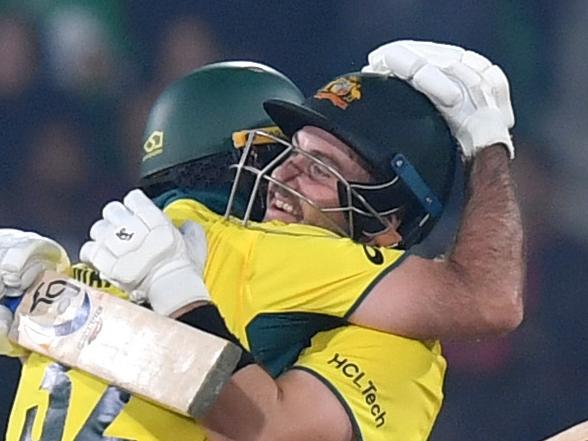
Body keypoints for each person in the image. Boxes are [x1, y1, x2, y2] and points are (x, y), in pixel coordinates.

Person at [1, 40, 523, 441]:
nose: (283, 175)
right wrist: (50, 305)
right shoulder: (182, 251)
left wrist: (68, 307)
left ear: (387, 226)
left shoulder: (393, 340)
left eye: (320, 167)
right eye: (288, 152)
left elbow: (268, 427)